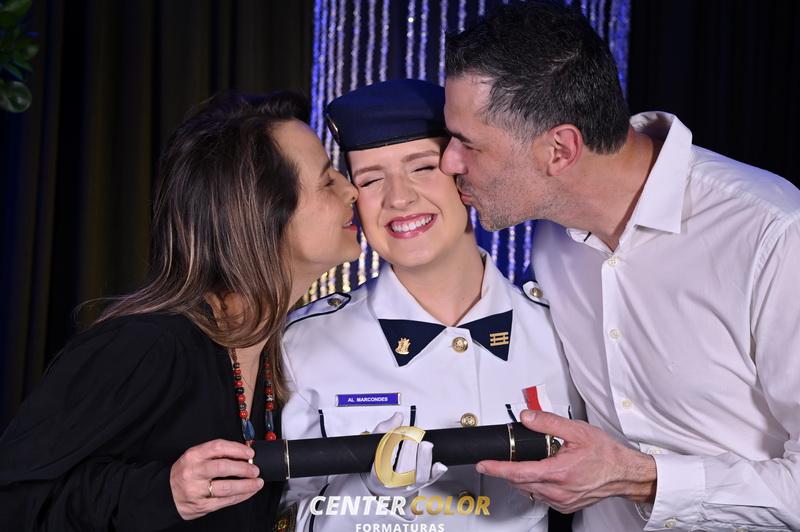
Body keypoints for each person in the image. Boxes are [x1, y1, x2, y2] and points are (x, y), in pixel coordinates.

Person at [439, 1, 800, 530]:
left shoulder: (773, 236)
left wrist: (642, 479)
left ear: (560, 149)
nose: (449, 161)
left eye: (468, 144)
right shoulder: (551, 237)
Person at [0, 90, 361, 531]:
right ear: (260, 213)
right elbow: (13, 501)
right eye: (327, 181)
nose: (352, 189)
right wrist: (163, 492)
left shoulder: (280, 356)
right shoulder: (145, 347)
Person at [278, 78, 583, 532]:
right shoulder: (304, 344)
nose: (399, 197)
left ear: (465, 176)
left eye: (421, 168)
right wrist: (371, 495)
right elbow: (280, 515)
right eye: (371, 179)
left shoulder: (563, 329)